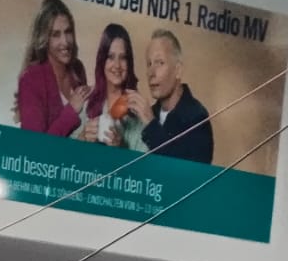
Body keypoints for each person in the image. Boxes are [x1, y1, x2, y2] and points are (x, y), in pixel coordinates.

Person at [15, 0, 90, 138]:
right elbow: (34, 147)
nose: (65, 42)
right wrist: (71, 111)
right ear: (44, 39)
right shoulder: (31, 79)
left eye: (68, 32)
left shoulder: (77, 69)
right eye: (56, 35)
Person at [135, 31, 213, 165]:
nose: (151, 73)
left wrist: (151, 125)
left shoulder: (198, 118)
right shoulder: (148, 114)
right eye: (149, 64)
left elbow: (185, 173)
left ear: (178, 70)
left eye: (160, 63)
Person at [81, 24, 144, 151]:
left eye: (123, 58)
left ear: (129, 62)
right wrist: (82, 138)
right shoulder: (86, 98)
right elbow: (65, 153)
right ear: (102, 61)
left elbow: (145, 161)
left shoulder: (138, 109)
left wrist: (121, 148)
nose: (117, 65)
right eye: (110, 57)